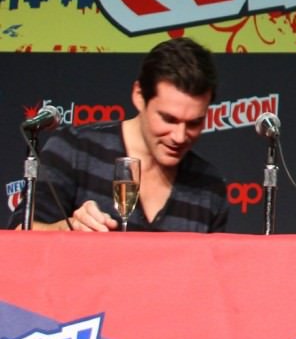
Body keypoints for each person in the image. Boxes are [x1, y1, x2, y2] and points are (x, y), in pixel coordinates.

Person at [8, 36, 229, 232]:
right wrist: (68, 229)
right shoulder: (75, 150)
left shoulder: (208, 186)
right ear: (139, 96)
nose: (179, 136)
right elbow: (20, 234)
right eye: (168, 119)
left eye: (194, 123)